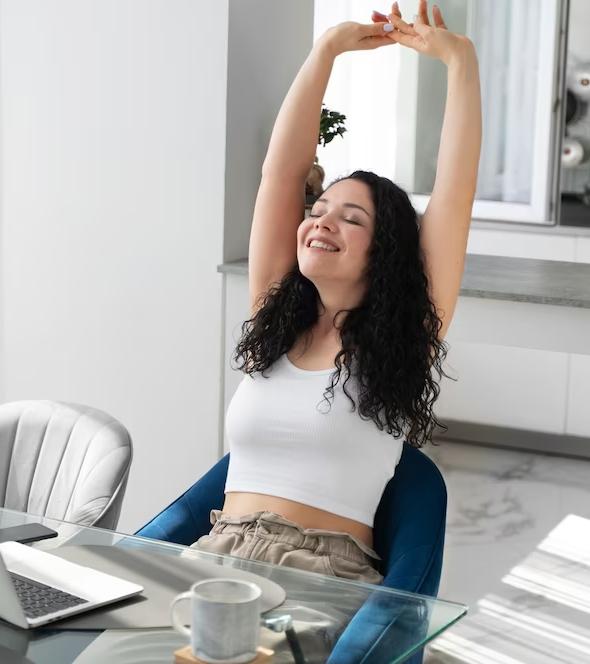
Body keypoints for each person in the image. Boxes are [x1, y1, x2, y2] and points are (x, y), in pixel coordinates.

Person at [192, 2, 482, 586]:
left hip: (321, 573)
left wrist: (461, 60)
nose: (320, 222)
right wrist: (326, 50)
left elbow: (454, 196)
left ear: (386, 255)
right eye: (318, 209)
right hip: (217, 553)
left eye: (350, 219)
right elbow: (282, 173)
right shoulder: (275, 318)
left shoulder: (404, 340)